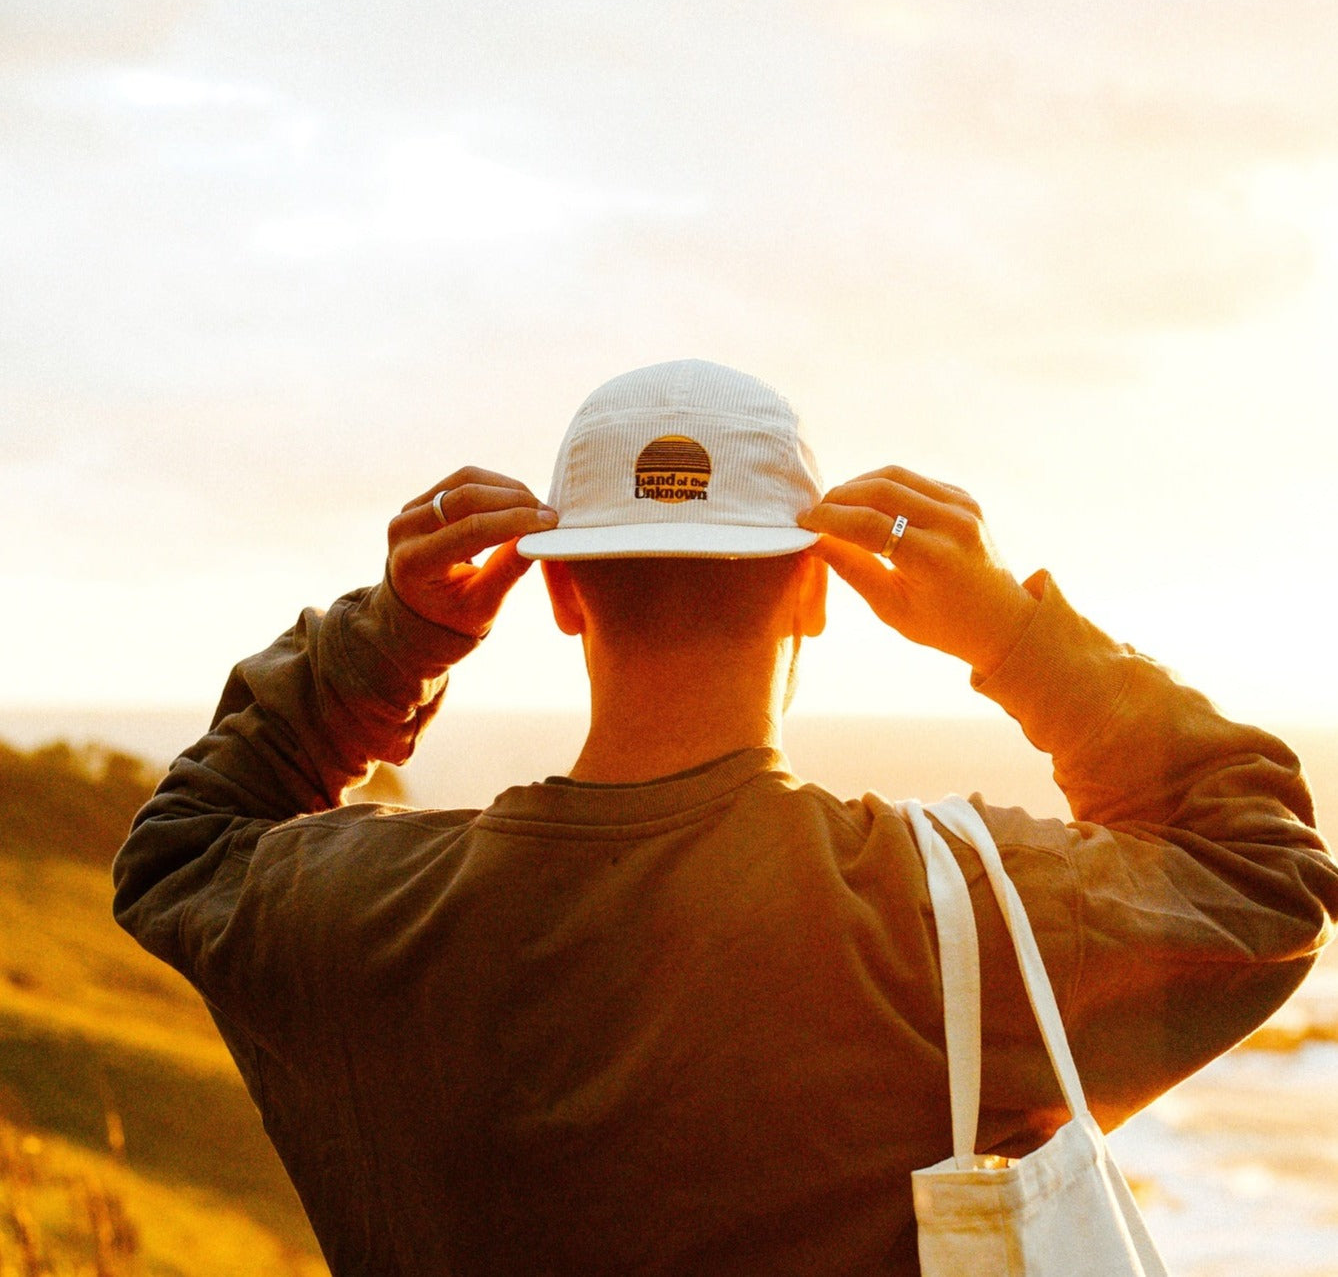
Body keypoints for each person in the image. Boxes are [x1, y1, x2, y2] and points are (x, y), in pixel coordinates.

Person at [114, 359, 1337, 1276]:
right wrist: (1011, 636)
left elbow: (183, 845)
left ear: (560, 598)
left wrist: (394, 636)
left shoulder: (356, 909)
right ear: (814, 593)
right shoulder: (947, 909)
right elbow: (1263, 870)